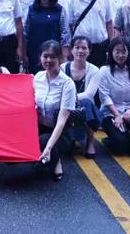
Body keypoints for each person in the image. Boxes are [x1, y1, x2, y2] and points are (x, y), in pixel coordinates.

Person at [33, 40, 76, 180]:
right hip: (40, 127)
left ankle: (55, 160)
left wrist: (48, 148)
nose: (48, 60)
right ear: (40, 57)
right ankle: (44, 156)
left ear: (60, 59)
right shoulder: (37, 78)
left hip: (61, 131)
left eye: (53, 57)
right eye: (45, 56)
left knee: (44, 140)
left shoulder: (67, 84)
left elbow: (62, 120)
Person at [99, 37, 130, 155]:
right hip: (110, 113)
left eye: (124, 51)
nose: (121, 55)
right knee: (120, 146)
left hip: (129, 110)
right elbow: (104, 96)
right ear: (111, 52)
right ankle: (114, 140)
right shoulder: (104, 71)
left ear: (128, 52)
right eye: (117, 51)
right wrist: (117, 115)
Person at [65, 0, 114, 67]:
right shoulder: (72, 0)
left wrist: (112, 44)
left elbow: (109, 23)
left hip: (101, 47)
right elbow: (69, 26)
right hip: (80, 49)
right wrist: (69, 48)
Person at [63, 37, 101, 158]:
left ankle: (90, 142)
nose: (80, 51)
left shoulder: (94, 70)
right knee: (65, 149)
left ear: (89, 51)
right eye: (77, 47)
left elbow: (89, 94)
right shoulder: (62, 68)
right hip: (65, 106)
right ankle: (70, 138)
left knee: (87, 102)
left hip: (85, 107)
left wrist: (70, 99)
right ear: (71, 50)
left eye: (84, 48)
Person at [24, 0, 69, 73]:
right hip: (34, 51)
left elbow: (65, 33)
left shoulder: (60, 10)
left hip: (54, 52)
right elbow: (25, 32)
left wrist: (64, 55)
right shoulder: (30, 10)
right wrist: (24, 53)